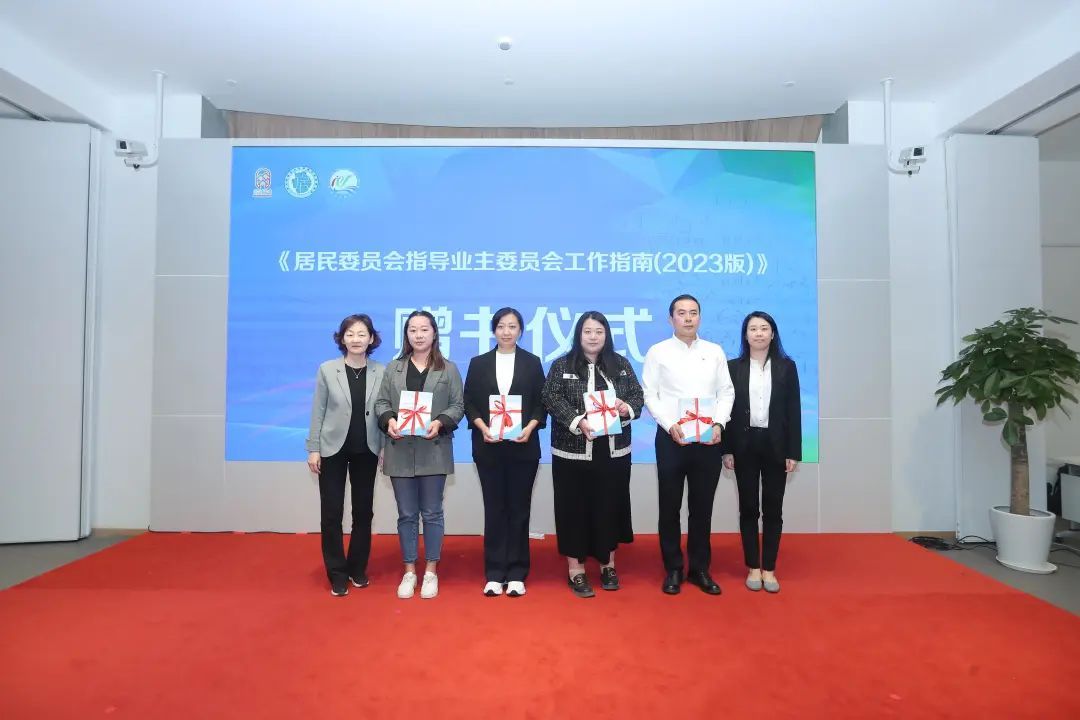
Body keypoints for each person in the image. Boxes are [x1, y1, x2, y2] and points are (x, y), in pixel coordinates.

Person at [541, 311, 644, 598]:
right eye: (587, 331)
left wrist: (625, 408)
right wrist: (578, 421)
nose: (593, 336)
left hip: (613, 451)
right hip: (572, 451)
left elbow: (637, 395)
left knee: (609, 506)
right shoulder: (562, 364)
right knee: (572, 508)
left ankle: (608, 565)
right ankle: (576, 569)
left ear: (606, 335)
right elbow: (550, 397)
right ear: (578, 335)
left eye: (599, 331)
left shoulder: (620, 364)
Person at [641, 294, 734, 595]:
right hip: (672, 438)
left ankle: (699, 568)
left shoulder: (714, 351)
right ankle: (673, 568)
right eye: (681, 313)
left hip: (708, 440)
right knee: (669, 506)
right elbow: (649, 394)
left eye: (693, 312)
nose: (688, 318)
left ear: (700, 317)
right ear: (671, 319)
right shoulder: (658, 352)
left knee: (701, 508)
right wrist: (670, 424)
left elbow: (726, 392)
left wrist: (719, 423)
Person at [374, 310, 465, 600]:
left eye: (424, 329)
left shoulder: (448, 369)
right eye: (413, 330)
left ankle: (431, 572)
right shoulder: (394, 368)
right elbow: (381, 402)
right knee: (406, 515)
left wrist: (440, 422)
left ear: (434, 333)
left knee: (433, 513)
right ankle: (410, 571)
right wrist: (389, 419)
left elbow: (458, 406)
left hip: (434, 449)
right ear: (406, 335)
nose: (419, 335)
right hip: (400, 449)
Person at [463, 307, 547, 597]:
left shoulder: (532, 363)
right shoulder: (479, 363)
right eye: (501, 326)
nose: (506, 331)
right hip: (488, 446)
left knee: (519, 509)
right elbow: (469, 402)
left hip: (523, 447)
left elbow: (541, 402)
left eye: (512, 326)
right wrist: (482, 426)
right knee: (495, 509)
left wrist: (531, 427)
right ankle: (494, 572)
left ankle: (517, 573)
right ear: (494, 330)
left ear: (521, 330)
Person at [306, 314, 386, 597]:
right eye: (350, 334)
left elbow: (385, 411)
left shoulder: (382, 372)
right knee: (331, 513)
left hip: (368, 449)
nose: (356, 339)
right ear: (341, 338)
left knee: (363, 512)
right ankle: (337, 573)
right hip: (332, 450)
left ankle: (357, 568)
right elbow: (318, 410)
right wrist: (313, 448)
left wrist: (385, 447)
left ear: (371, 339)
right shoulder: (328, 370)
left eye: (362, 334)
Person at [721, 311, 802, 594]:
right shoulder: (733, 367)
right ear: (745, 335)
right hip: (743, 445)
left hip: (775, 445)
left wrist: (793, 452)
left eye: (764, 328)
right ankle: (753, 567)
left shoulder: (786, 367)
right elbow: (726, 410)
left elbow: (793, 410)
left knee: (773, 509)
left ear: (773, 333)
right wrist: (726, 449)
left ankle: (769, 568)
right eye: (753, 329)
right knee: (748, 508)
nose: (758, 333)